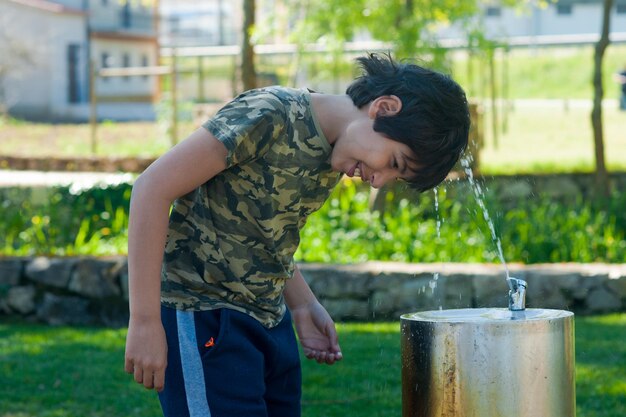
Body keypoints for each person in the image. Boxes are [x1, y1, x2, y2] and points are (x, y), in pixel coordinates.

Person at [124, 52, 470, 417]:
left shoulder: (334, 155)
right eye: (394, 163)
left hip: (270, 323)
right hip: (205, 317)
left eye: (394, 178)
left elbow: (263, 233)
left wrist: (303, 304)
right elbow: (151, 189)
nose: (378, 180)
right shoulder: (271, 114)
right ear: (384, 108)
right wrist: (145, 321)